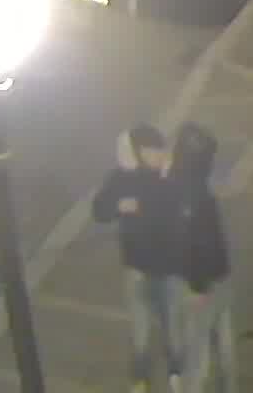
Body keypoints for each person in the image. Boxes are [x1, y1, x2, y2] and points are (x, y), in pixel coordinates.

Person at [90, 123, 184, 393]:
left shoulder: (172, 176)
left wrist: (167, 179)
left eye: (160, 150)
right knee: (140, 333)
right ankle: (140, 380)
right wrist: (118, 205)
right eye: (153, 151)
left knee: (173, 329)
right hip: (137, 268)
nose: (159, 156)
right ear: (139, 152)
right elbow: (99, 210)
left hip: (169, 268)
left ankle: (176, 374)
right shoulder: (122, 178)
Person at [171, 124, 237, 393]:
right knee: (201, 354)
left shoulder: (182, 186)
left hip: (213, 278)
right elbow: (189, 241)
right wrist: (198, 286)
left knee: (218, 347)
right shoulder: (192, 194)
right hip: (204, 283)